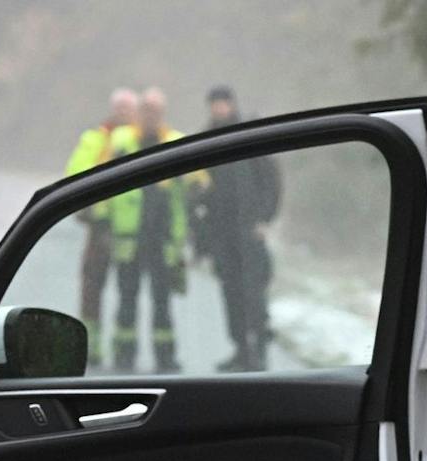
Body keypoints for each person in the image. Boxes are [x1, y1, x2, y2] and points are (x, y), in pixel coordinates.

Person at [195, 85, 283, 372]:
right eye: (215, 103)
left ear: (232, 104)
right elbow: (198, 190)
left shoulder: (249, 136)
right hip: (220, 233)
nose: (219, 108)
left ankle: (259, 349)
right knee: (230, 293)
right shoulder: (205, 141)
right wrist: (201, 237)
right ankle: (241, 349)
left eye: (223, 102)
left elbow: (271, 182)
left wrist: (264, 220)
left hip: (249, 231)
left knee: (253, 292)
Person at [105, 87, 188, 372]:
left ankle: (165, 357)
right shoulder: (121, 141)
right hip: (130, 236)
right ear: (138, 112)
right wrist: (102, 221)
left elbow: (194, 183)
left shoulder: (176, 143)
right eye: (146, 110)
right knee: (127, 298)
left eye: (156, 111)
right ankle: (123, 354)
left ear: (163, 113)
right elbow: (102, 182)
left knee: (162, 301)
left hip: (163, 238)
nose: (151, 115)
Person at [64, 87, 137, 362]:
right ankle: (91, 345)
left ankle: (124, 347)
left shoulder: (142, 140)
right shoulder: (95, 139)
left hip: (133, 229)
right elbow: (75, 173)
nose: (123, 113)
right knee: (92, 286)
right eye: (119, 107)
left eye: (128, 108)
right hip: (100, 226)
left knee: (129, 287)